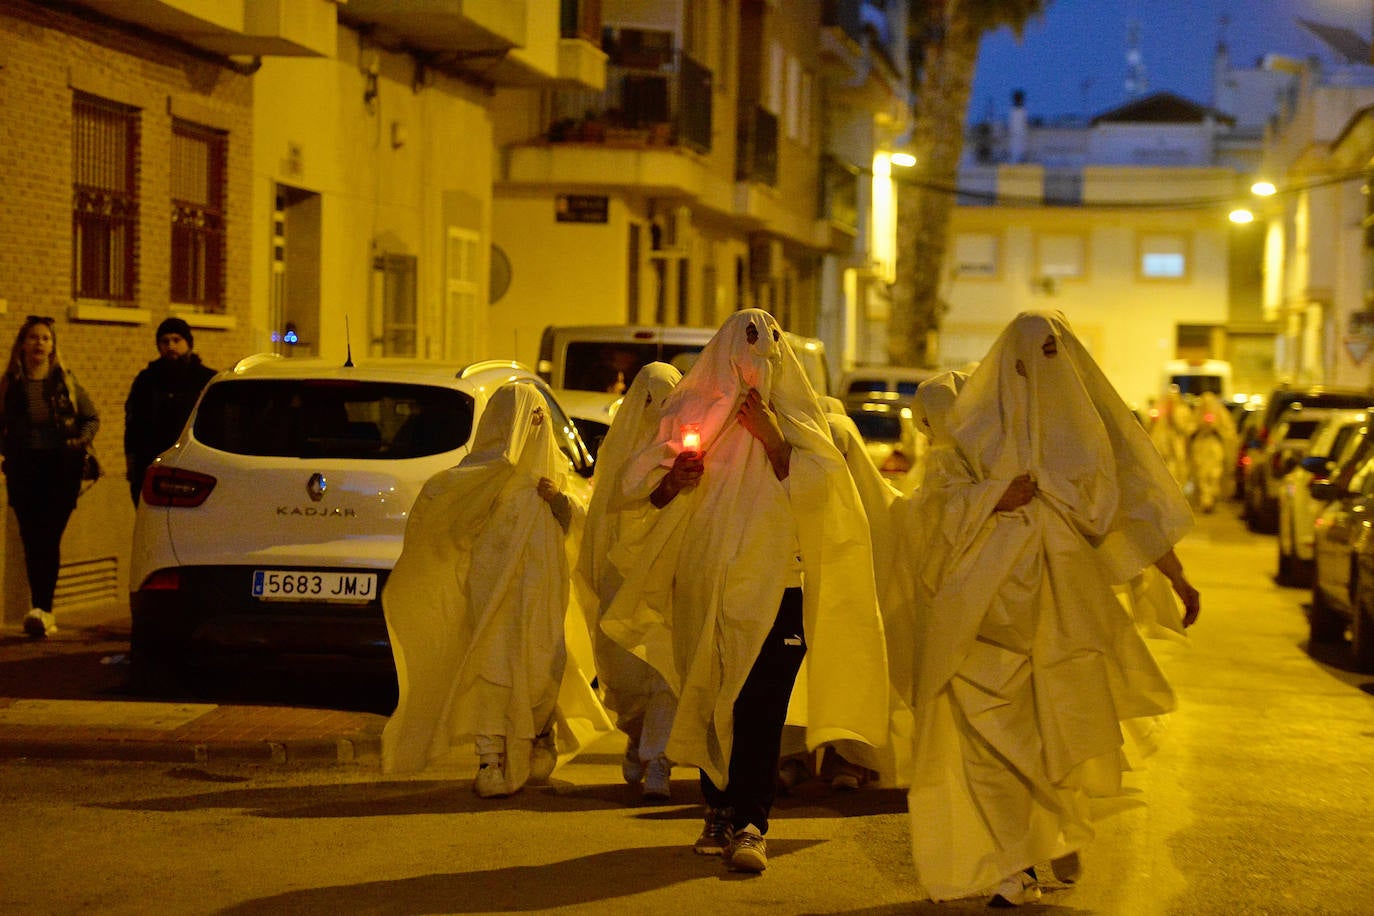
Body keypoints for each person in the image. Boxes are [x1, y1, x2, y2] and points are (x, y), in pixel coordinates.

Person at [901, 310, 1201, 907]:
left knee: (1050, 736)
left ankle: (1041, 843)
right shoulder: (973, 428)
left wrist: (1177, 576)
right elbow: (932, 504)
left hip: (1060, 617)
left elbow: (1129, 512)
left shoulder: (1087, 435)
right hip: (981, 613)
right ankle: (1011, 859)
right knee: (987, 739)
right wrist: (994, 498)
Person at [601, 309, 889, 873]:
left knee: (761, 708)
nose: (755, 363)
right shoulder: (689, 411)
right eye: (745, 349)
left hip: (778, 587)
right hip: (706, 584)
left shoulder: (800, 418)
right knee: (709, 698)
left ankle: (753, 822)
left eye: (766, 351)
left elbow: (828, 497)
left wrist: (777, 443)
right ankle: (720, 808)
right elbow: (635, 490)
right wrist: (674, 481)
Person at [381, 383, 611, 797]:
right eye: (528, 418)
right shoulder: (478, 478)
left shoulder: (555, 474)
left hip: (543, 600)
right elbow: (446, 524)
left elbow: (581, 529)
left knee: (544, 666)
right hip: (493, 598)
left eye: (540, 419)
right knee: (493, 669)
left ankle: (538, 739)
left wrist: (559, 502)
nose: (534, 428)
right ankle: (491, 757)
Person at [575, 361, 682, 801]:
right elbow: (611, 511)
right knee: (627, 672)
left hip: (668, 577)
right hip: (624, 579)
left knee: (666, 669)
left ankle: (660, 759)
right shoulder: (620, 455)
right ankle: (638, 738)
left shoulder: (684, 448)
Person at [0, 316, 100, 638]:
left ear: (53, 345)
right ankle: (40, 610)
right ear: (23, 343)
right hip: (24, 468)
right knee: (32, 540)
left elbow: (91, 417)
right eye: (33, 338)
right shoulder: (10, 384)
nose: (39, 344)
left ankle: (45, 608)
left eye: (45, 338)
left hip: (60, 469)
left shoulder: (64, 382)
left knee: (48, 538)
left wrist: (80, 442)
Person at [124, 317, 217, 504]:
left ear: (188, 343)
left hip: (194, 463)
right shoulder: (146, 379)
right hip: (152, 461)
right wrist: (132, 463)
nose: (171, 346)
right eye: (165, 341)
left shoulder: (205, 379)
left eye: (176, 340)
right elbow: (134, 424)